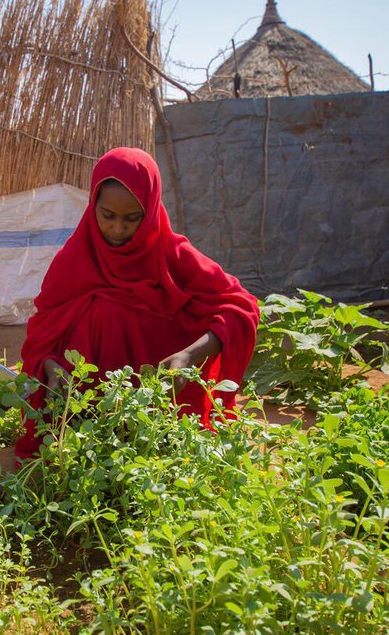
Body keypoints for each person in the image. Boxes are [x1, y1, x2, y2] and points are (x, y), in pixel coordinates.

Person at [16, 146, 259, 458]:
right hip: (82, 423)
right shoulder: (74, 260)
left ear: (152, 209)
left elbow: (242, 307)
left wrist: (189, 355)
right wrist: (51, 367)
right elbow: (43, 332)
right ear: (93, 206)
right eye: (108, 216)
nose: (118, 229)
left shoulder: (173, 256)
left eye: (133, 218)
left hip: (159, 419)